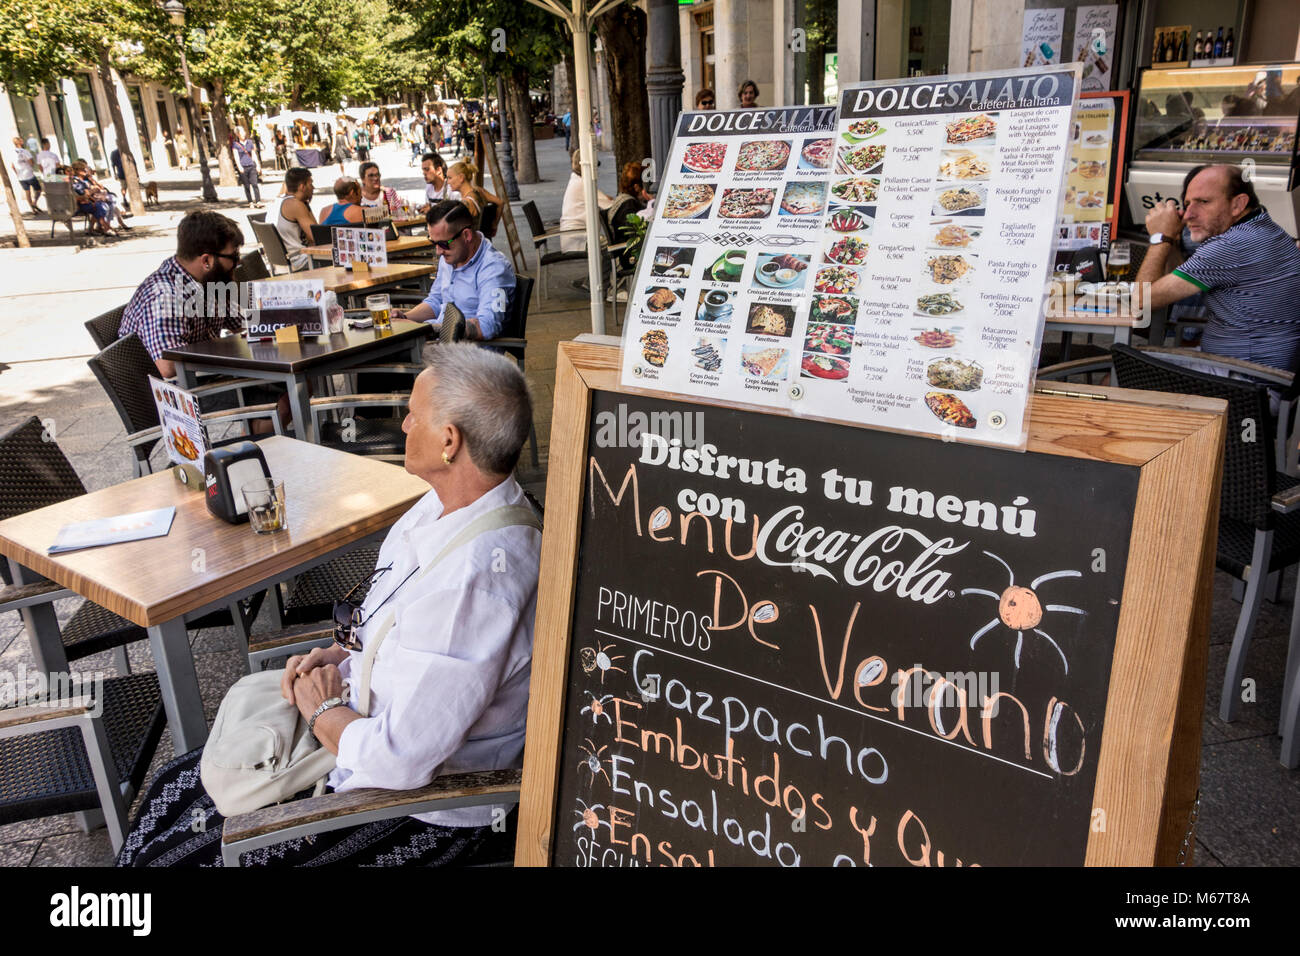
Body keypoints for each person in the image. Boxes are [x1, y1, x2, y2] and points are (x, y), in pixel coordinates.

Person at [117, 343, 539, 868]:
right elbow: (394, 618)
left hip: (418, 808)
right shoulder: (445, 504)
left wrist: (321, 710)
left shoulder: (474, 583)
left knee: (177, 856)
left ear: (450, 441)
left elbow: (400, 763)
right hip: (354, 738)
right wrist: (338, 656)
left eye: (413, 414)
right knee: (171, 788)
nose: (403, 424)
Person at [1134, 163, 1300, 372]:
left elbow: (1141, 302)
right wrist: (1173, 240)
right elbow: (1180, 281)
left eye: (1203, 202)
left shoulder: (1230, 246)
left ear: (1238, 204)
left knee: (1121, 369)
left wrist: (1161, 237)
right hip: (1253, 369)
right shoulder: (1262, 229)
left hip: (1244, 379)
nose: (1188, 215)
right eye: (1187, 203)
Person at [119, 211, 246, 378]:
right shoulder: (166, 297)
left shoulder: (209, 281)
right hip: (184, 394)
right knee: (283, 392)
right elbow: (169, 367)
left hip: (208, 378)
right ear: (206, 261)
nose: (238, 262)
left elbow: (241, 324)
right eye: (233, 256)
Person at [397, 199, 515, 341]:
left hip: (469, 353)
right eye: (433, 243)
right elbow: (436, 301)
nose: (438, 251)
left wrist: (435, 330)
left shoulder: (493, 268)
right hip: (437, 341)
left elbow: (487, 326)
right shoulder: (450, 257)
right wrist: (404, 318)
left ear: (466, 235)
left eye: (443, 244)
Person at [558, 149, 613, 253]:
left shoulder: (577, 180)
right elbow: (609, 205)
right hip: (578, 238)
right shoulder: (583, 184)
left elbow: (602, 199)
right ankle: (611, 269)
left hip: (576, 234)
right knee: (614, 244)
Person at [264, 166, 317, 271]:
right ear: (302, 186)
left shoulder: (277, 201)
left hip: (281, 264)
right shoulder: (295, 204)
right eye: (310, 184)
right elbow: (316, 236)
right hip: (299, 262)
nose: (313, 187)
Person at [70, 160, 129, 233]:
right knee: (102, 206)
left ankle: (100, 227)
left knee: (110, 203)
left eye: (85, 168)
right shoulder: (76, 181)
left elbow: (90, 190)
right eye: (83, 169)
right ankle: (105, 227)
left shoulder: (84, 180)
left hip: (90, 200)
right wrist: (94, 190)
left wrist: (95, 189)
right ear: (77, 170)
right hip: (83, 203)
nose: (85, 170)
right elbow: (84, 194)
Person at [446, 160, 503, 237]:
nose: (448, 182)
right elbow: (500, 202)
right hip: (484, 241)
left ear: (461, 178)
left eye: (450, 178)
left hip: (474, 245)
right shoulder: (479, 190)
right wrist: (494, 225)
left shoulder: (466, 203)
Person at [230, 126, 263, 208]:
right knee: (247, 185)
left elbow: (253, 154)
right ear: (238, 134)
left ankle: (258, 201)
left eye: (244, 131)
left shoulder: (249, 142)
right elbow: (236, 157)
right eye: (242, 132)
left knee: (255, 184)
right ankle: (250, 202)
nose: (244, 133)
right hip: (243, 167)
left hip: (251, 165)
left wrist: (258, 165)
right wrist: (239, 166)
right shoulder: (235, 144)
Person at [11, 136, 41, 213]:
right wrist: (30, 165)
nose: (23, 141)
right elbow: (31, 162)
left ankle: (33, 210)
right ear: (20, 142)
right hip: (29, 174)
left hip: (21, 177)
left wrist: (17, 173)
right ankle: (34, 202)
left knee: (27, 193)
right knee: (38, 189)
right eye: (21, 140)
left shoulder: (12, 152)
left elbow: (12, 166)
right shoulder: (25, 151)